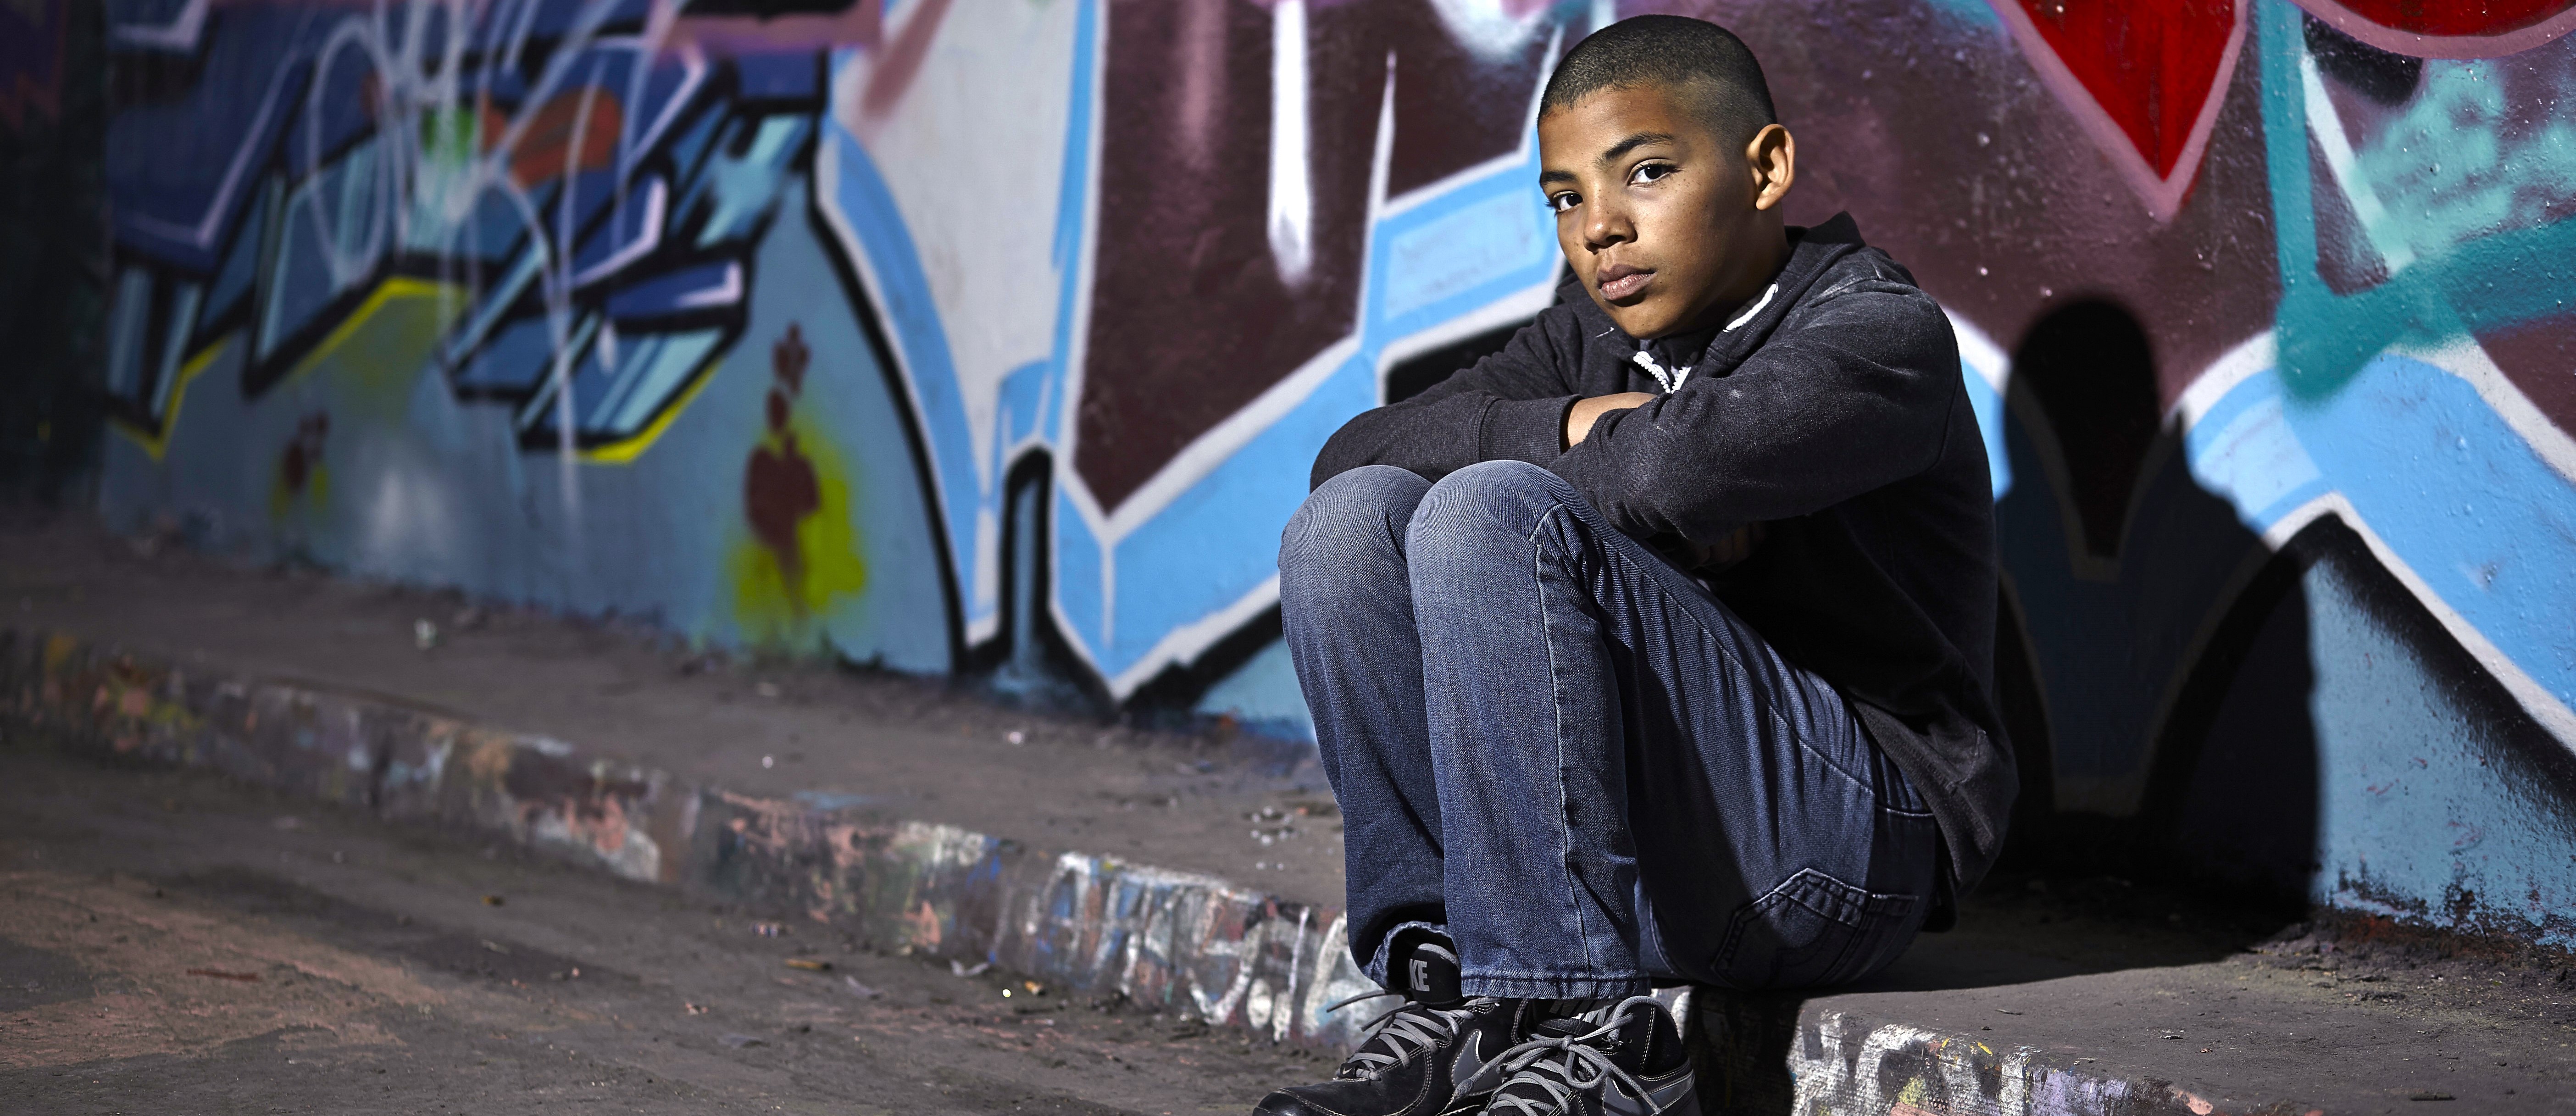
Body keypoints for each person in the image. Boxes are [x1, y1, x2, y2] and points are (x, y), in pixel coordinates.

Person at [1255, 14, 2013, 1116]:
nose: (1601, 229)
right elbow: (1351, 450)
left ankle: (1591, 1033)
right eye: (1565, 200)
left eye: (1646, 173)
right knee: (1348, 523)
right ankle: (1455, 996)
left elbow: (1679, 473)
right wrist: (1574, 424)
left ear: (1765, 168)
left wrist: (1602, 475)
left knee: (1487, 510)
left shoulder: (1873, 334)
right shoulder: (1590, 344)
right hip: (1665, 855)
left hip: (1848, 854)